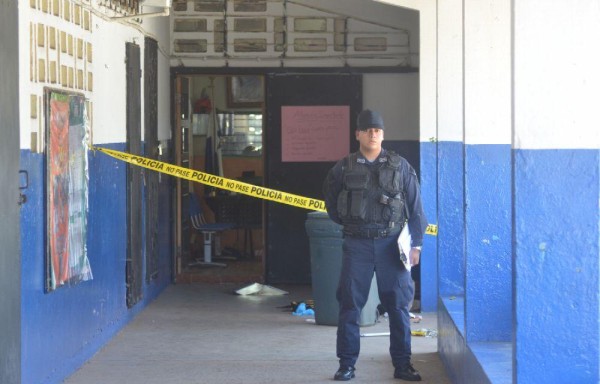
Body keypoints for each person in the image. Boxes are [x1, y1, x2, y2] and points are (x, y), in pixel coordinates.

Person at [322, 109, 428, 381]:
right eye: (367, 129)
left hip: (392, 246)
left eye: (377, 130)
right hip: (357, 245)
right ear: (357, 134)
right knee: (349, 306)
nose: (373, 134)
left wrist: (415, 246)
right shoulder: (344, 166)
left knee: (398, 307)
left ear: (383, 134)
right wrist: (354, 224)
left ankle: (403, 365)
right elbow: (331, 204)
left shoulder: (400, 166)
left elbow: (416, 211)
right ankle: (346, 365)